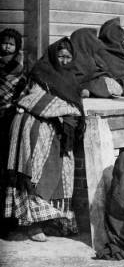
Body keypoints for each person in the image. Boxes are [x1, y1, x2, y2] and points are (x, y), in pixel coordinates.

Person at [4, 37, 85, 242]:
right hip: (34, 128)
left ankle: (51, 221)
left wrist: (70, 110)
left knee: (61, 174)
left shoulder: (70, 77)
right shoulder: (41, 72)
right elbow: (32, 99)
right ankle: (32, 225)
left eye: (68, 57)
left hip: (57, 131)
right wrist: (68, 109)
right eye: (61, 56)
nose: (64, 60)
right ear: (52, 55)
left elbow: (76, 104)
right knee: (36, 173)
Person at [0, 28, 26, 236]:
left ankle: (8, 222)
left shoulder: (21, 69)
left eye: (11, 44)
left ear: (17, 47)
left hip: (10, 119)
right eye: (4, 43)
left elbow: (23, 94)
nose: (6, 47)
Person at [69, 27, 122, 98]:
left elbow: (104, 70)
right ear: (84, 40)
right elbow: (78, 77)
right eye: (92, 38)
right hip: (88, 85)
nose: (95, 41)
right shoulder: (74, 58)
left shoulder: (93, 55)